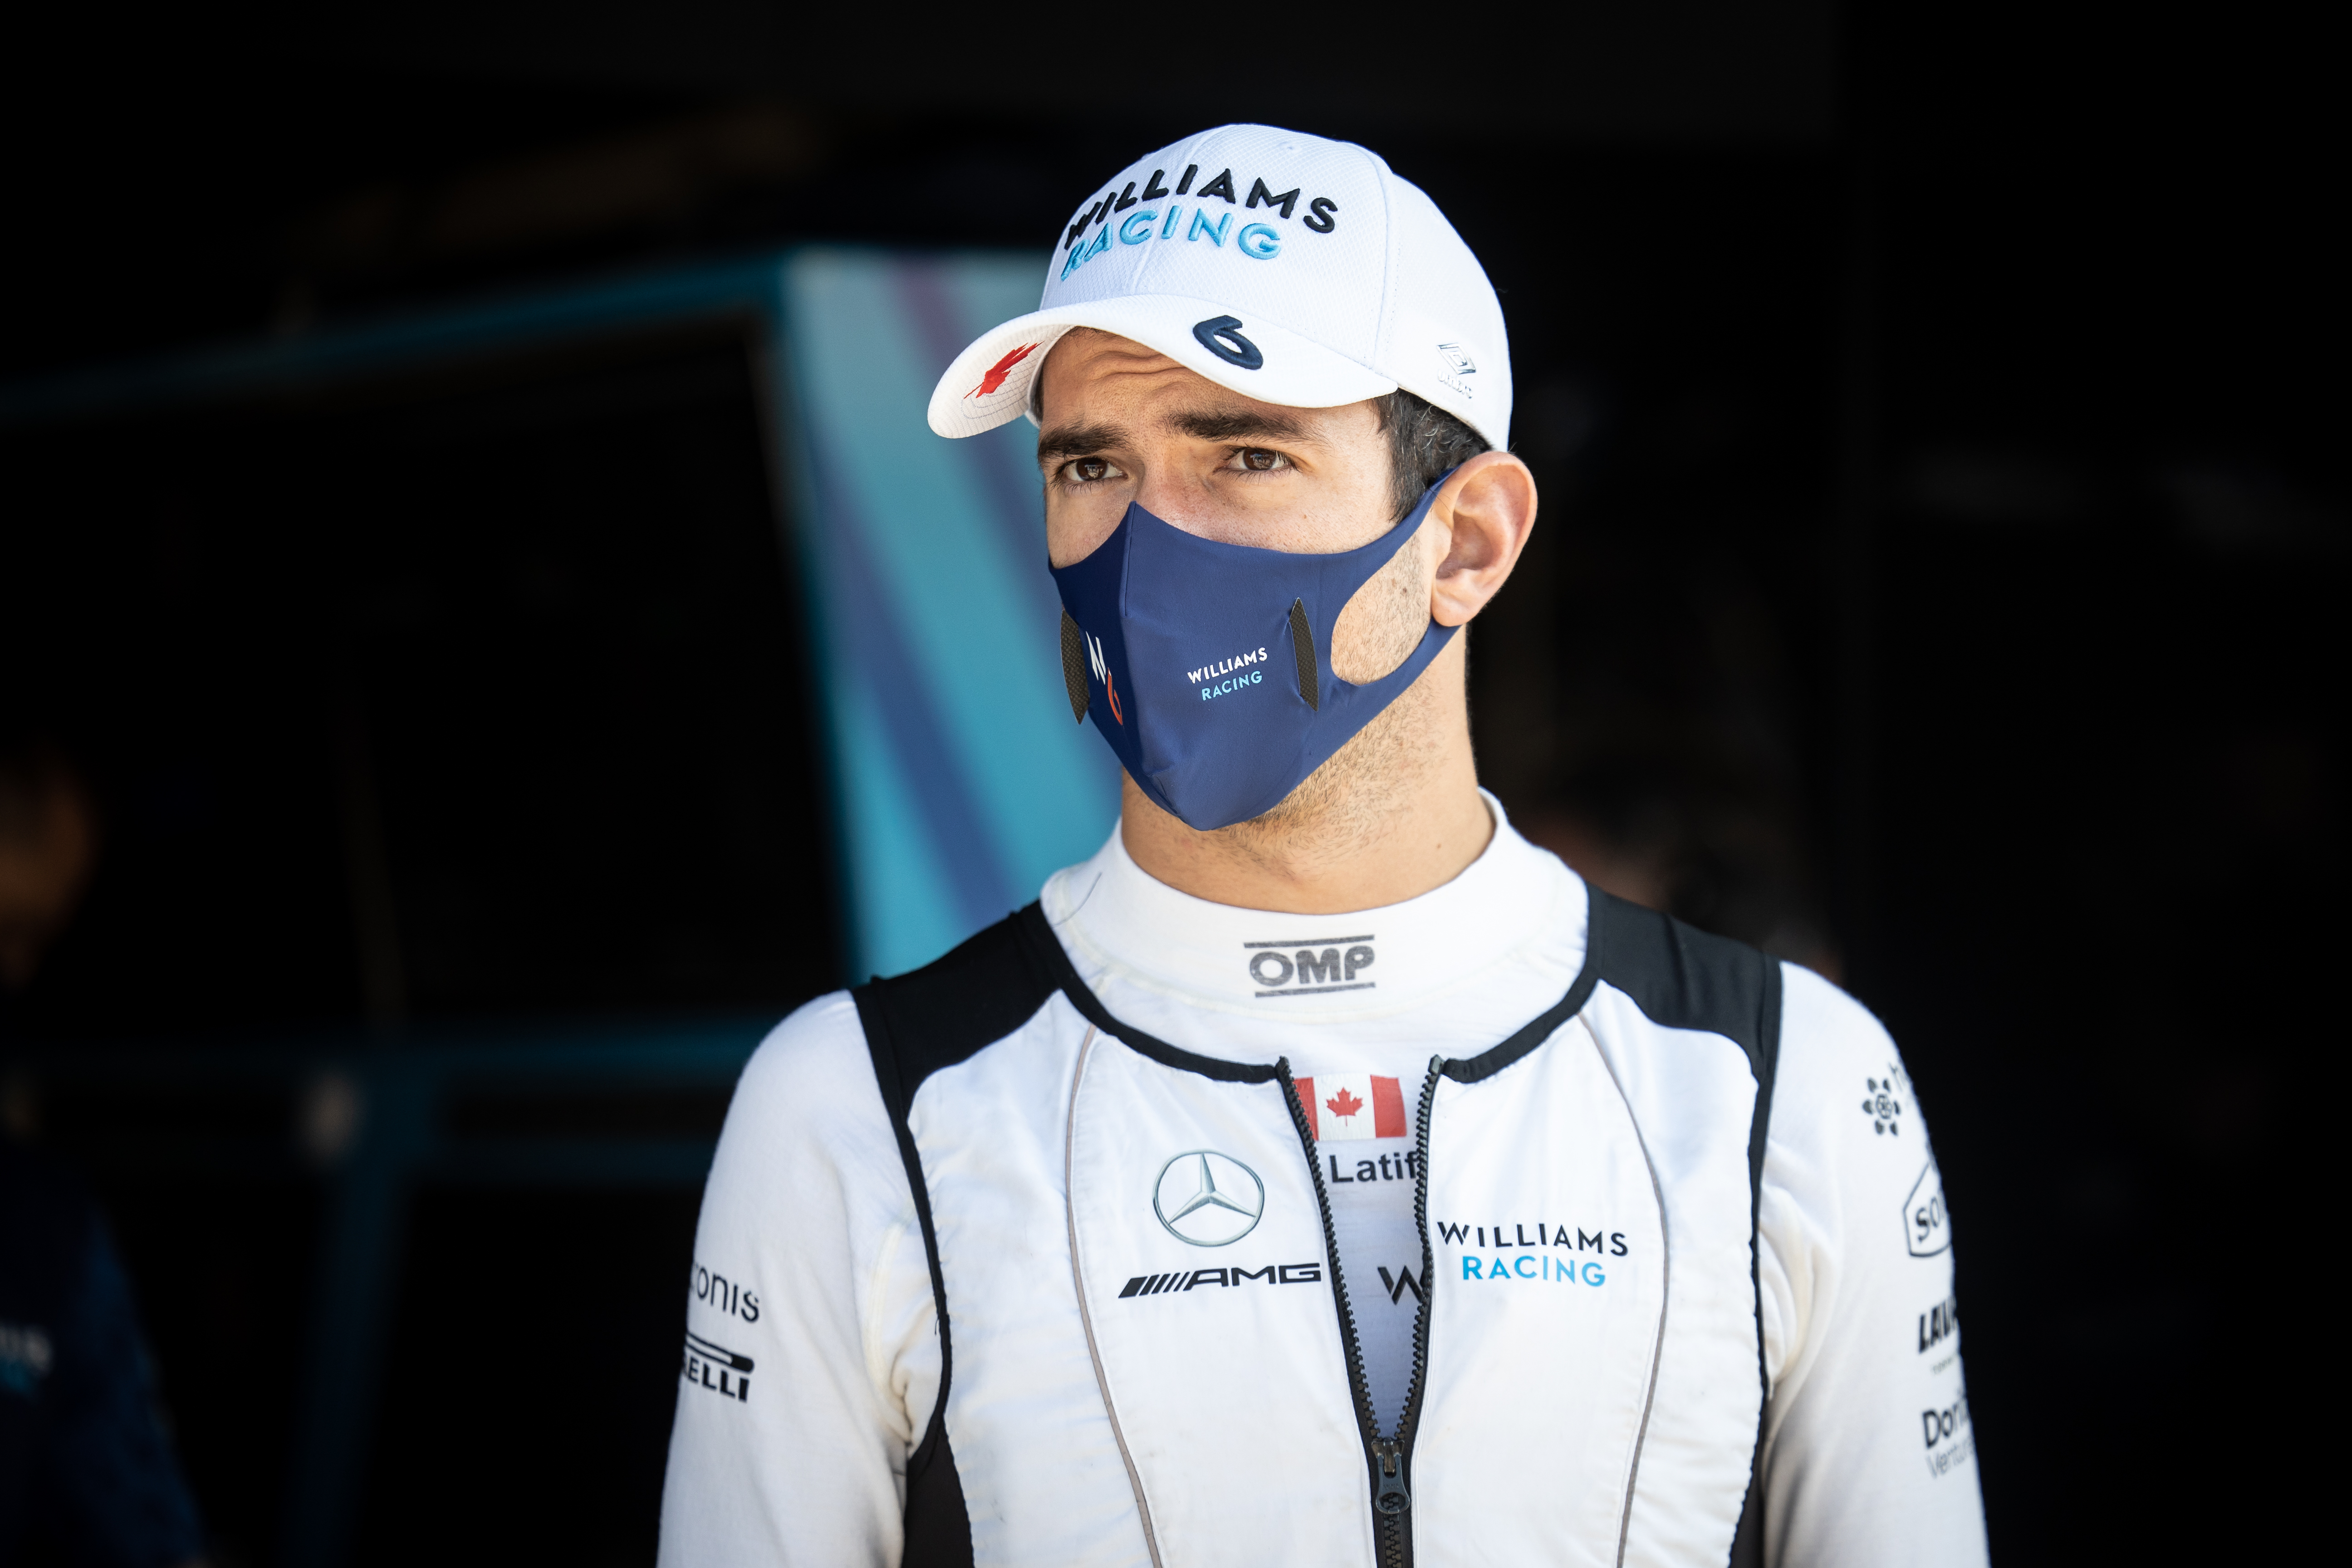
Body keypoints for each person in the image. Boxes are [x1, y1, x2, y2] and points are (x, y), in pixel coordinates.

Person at [657, 124, 1987, 1567]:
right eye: (1091, 462)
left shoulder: (1785, 1084)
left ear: (1467, 541)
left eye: (1246, 453)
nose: (1144, 548)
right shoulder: (853, 1108)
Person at [2, 740, 209, 1568]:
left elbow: (145, 1531)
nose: (15, 973)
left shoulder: (46, 1228)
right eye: (8, 927)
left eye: (33, 939)